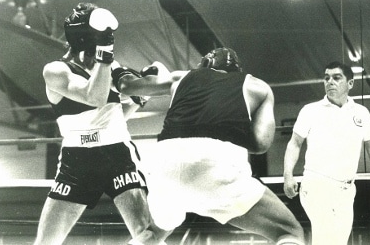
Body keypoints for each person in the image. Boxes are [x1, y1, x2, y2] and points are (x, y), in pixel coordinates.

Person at [116, 47, 306, 245]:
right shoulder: (258, 87)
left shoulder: (181, 77)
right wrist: (230, 125)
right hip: (214, 163)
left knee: (156, 233)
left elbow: (125, 85)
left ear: (205, 63)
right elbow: (260, 145)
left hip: (164, 164)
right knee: (289, 231)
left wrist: (116, 69)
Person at [34, 3, 168, 245]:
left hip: (117, 153)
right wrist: (105, 54)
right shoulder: (55, 71)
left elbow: (110, 116)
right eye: (102, 35)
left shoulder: (109, 67)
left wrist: (141, 98)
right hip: (77, 161)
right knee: (46, 243)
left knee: (147, 236)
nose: (108, 40)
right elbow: (93, 97)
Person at [283, 61, 370, 245]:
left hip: (346, 189)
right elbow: (294, 144)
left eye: (336, 77)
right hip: (316, 185)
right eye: (326, 78)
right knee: (326, 239)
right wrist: (288, 176)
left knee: (338, 241)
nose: (330, 82)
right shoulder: (310, 110)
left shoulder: (362, 113)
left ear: (350, 84)